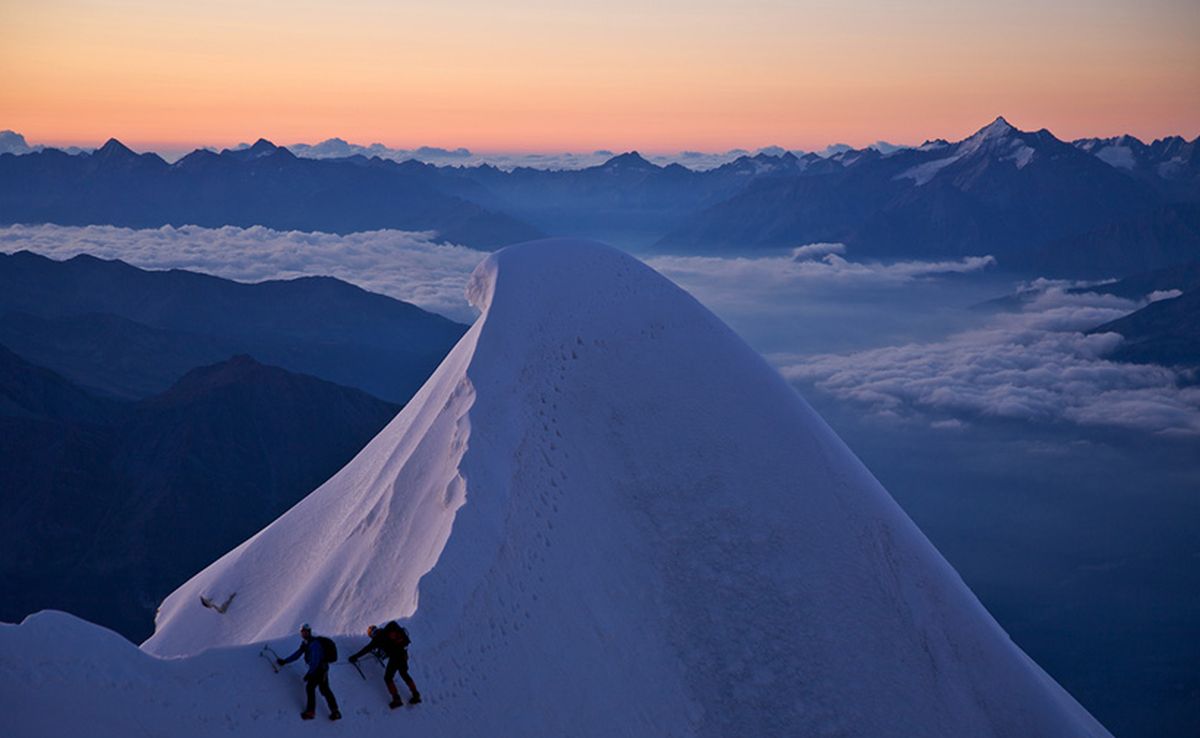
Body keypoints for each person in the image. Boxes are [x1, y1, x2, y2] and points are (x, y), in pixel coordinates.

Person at [348, 621, 422, 708]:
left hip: (395, 658)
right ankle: (416, 694)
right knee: (404, 673)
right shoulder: (387, 631)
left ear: (372, 634)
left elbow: (366, 649)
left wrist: (355, 657)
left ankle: (396, 699)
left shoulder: (377, 639)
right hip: (403, 654)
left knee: (388, 678)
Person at [278, 623, 341, 721]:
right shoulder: (306, 643)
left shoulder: (314, 644)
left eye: (305, 632)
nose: (303, 633)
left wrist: (309, 673)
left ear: (309, 632)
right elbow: (297, 654)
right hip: (322, 669)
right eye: (302, 632)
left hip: (319, 669)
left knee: (310, 687)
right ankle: (335, 712)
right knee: (324, 689)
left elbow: (315, 660)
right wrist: (285, 661)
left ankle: (310, 712)